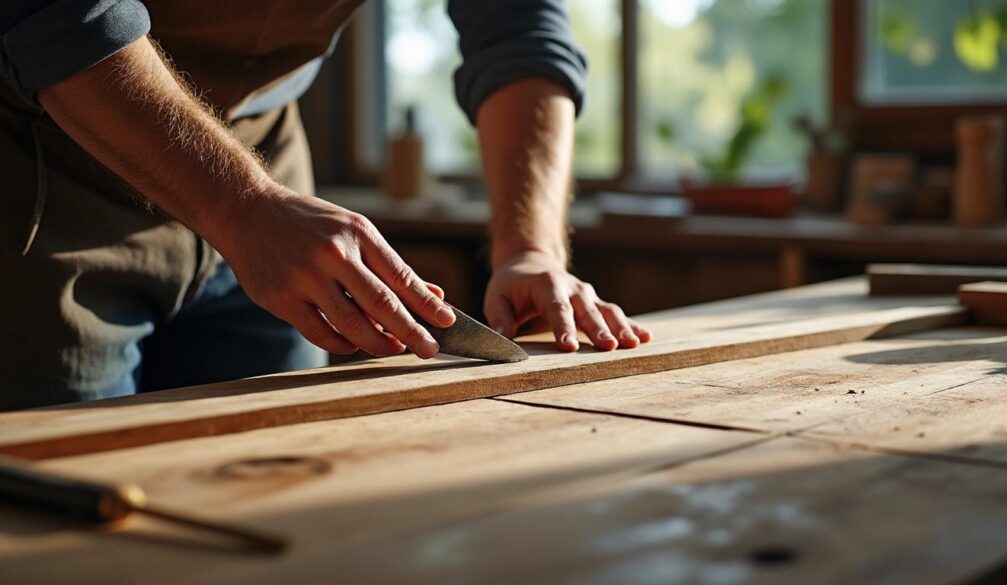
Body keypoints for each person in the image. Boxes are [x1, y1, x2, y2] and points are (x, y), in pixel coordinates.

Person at [0, 0, 651, 410]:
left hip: (271, 173)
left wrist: (531, 246)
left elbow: (518, 29)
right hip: (49, 171)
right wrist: (243, 207)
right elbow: (59, 16)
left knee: (280, 481)